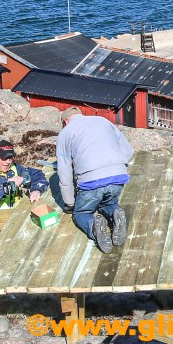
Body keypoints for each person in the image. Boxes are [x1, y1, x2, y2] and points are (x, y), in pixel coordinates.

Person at [56, 107, 134, 253]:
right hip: (118, 175)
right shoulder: (103, 121)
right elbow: (128, 151)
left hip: (91, 181)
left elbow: (64, 173)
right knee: (108, 202)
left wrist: (70, 203)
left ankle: (94, 226)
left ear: (65, 121)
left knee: (81, 213)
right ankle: (116, 212)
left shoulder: (65, 133)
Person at [0, 139, 48, 263]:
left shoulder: (16, 169)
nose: (8, 161)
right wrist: (8, 184)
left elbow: (37, 175)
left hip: (11, 225)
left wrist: (36, 189)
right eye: (4, 158)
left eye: (11, 158)